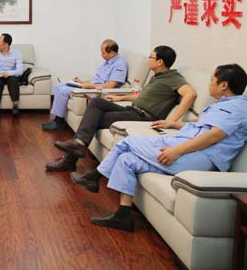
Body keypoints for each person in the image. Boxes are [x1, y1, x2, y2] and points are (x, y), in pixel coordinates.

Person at [70, 64, 247, 232]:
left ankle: (95, 177)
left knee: (128, 142)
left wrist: (177, 151)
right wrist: (174, 124)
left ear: (224, 85)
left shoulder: (237, 107)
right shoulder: (223, 105)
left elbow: (213, 136)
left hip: (200, 157)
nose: (209, 84)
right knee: (126, 159)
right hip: (189, 148)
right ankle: (124, 216)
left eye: (212, 80)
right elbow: (201, 129)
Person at [46, 45, 197, 172]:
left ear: (160, 62)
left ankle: (70, 158)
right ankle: (78, 144)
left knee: (93, 119)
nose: (148, 60)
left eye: (151, 57)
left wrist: (172, 121)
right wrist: (121, 98)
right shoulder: (157, 76)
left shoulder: (173, 78)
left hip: (143, 116)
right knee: (97, 102)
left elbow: (190, 94)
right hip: (132, 109)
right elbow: (143, 96)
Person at [42, 39, 128, 131]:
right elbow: (97, 78)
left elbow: (110, 86)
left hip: (96, 90)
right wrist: (82, 82)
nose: (101, 55)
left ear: (112, 53)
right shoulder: (107, 61)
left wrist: (89, 86)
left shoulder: (120, 64)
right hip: (91, 86)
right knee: (59, 86)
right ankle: (57, 119)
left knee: (63, 90)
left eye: (103, 53)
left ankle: (59, 122)